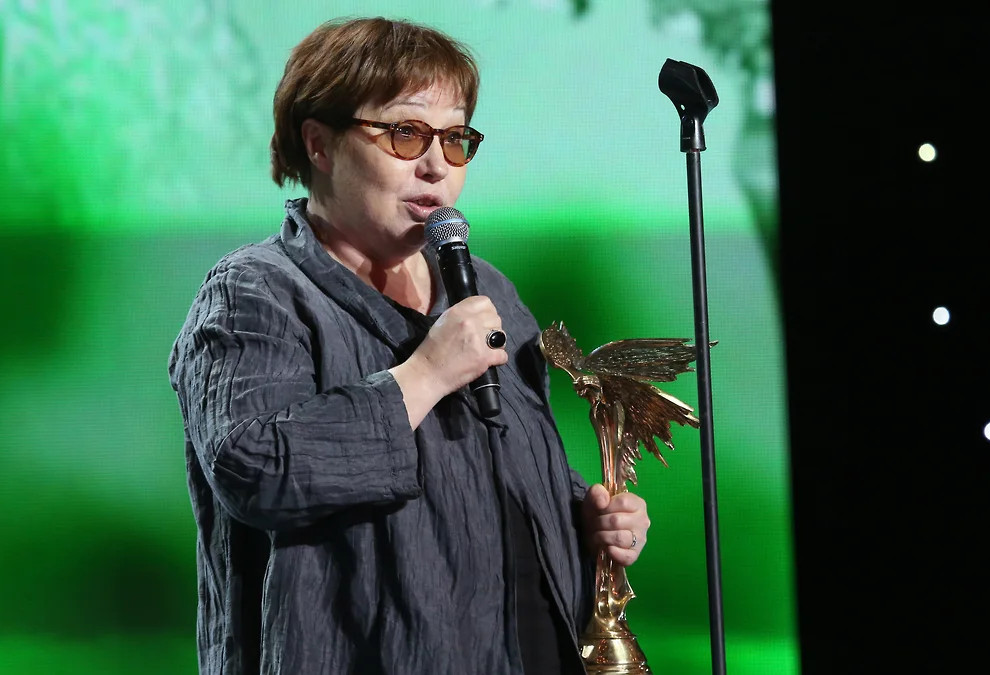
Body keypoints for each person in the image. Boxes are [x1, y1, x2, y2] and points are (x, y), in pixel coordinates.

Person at [169, 16, 650, 675]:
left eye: (455, 139)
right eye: (405, 133)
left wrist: (586, 520)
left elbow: (506, 470)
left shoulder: (487, 291)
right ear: (319, 144)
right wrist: (423, 375)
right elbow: (255, 470)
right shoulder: (255, 292)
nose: (436, 166)